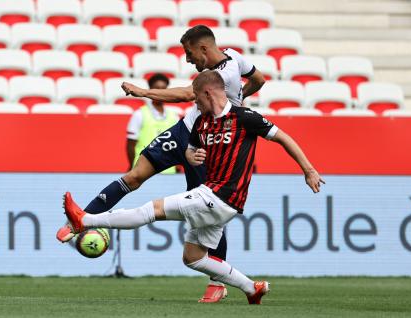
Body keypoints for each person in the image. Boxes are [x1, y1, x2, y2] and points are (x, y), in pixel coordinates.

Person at [61, 70, 325, 305]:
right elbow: (189, 150)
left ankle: (86, 220)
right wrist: (192, 156)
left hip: (218, 196)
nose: (194, 104)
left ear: (208, 93)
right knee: (193, 257)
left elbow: (283, 137)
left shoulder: (245, 117)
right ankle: (251, 288)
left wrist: (309, 169)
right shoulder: (202, 123)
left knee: (151, 210)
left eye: (196, 99)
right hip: (220, 200)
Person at [56, 25, 267, 302]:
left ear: (202, 48)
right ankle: (79, 222)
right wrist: (238, 98)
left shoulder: (225, 71)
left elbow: (186, 95)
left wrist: (144, 92)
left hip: (207, 143)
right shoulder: (234, 57)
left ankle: (218, 282)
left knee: (207, 214)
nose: (188, 60)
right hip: (184, 131)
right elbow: (259, 80)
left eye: (189, 53)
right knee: (134, 176)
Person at [126, 73, 179, 174]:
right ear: (150, 89)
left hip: (168, 172)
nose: (160, 91)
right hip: (142, 172)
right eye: (157, 88)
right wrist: (133, 168)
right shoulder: (139, 114)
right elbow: (130, 145)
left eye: (163, 88)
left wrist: (176, 167)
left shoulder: (174, 116)